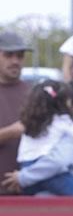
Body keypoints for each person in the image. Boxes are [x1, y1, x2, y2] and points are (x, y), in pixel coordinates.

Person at [1, 81, 73, 196]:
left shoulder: (28, 122)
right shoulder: (63, 121)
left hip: (26, 166)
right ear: (63, 102)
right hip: (49, 170)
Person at [0, 32, 33, 194]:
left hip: (28, 193)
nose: (15, 61)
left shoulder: (34, 93)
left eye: (20, 56)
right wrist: (10, 132)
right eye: (8, 55)